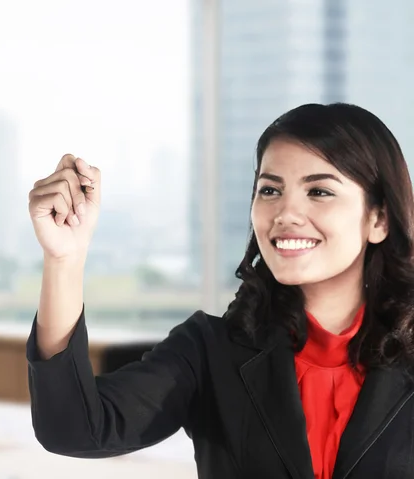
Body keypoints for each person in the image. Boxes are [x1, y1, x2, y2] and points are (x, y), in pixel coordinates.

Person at [25, 103, 414, 479]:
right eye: (270, 190)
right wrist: (64, 260)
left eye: (319, 192)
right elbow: (74, 428)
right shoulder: (211, 349)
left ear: (378, 219)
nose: (285, 213)